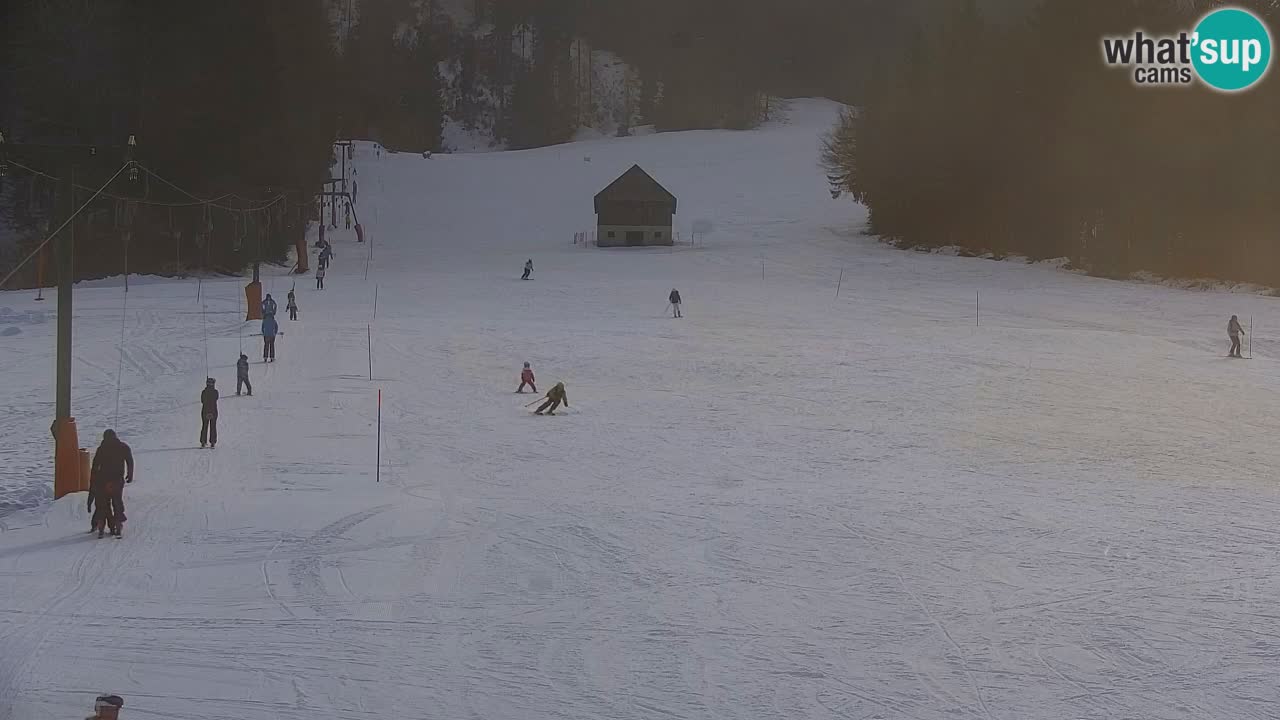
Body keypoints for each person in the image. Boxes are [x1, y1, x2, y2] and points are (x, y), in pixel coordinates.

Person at [90, 429, 133, 537]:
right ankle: (117, 525)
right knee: (117, 502)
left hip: (102, 480)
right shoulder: (123, 447)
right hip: (117, 480)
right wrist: (130, 474)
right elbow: (130, 461)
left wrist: (93, 480)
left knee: (103, 504)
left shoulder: (101, 449)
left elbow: (95, 466)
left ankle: (101, 526)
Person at [200, 378, 219, 448]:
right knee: (213, 426)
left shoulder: (204, 392)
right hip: (213, 411)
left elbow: (202, 401)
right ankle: (213, 442)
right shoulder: (215, 392)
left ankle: (203, 441)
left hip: (205, 411)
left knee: (204, 426)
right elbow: (216, 399)